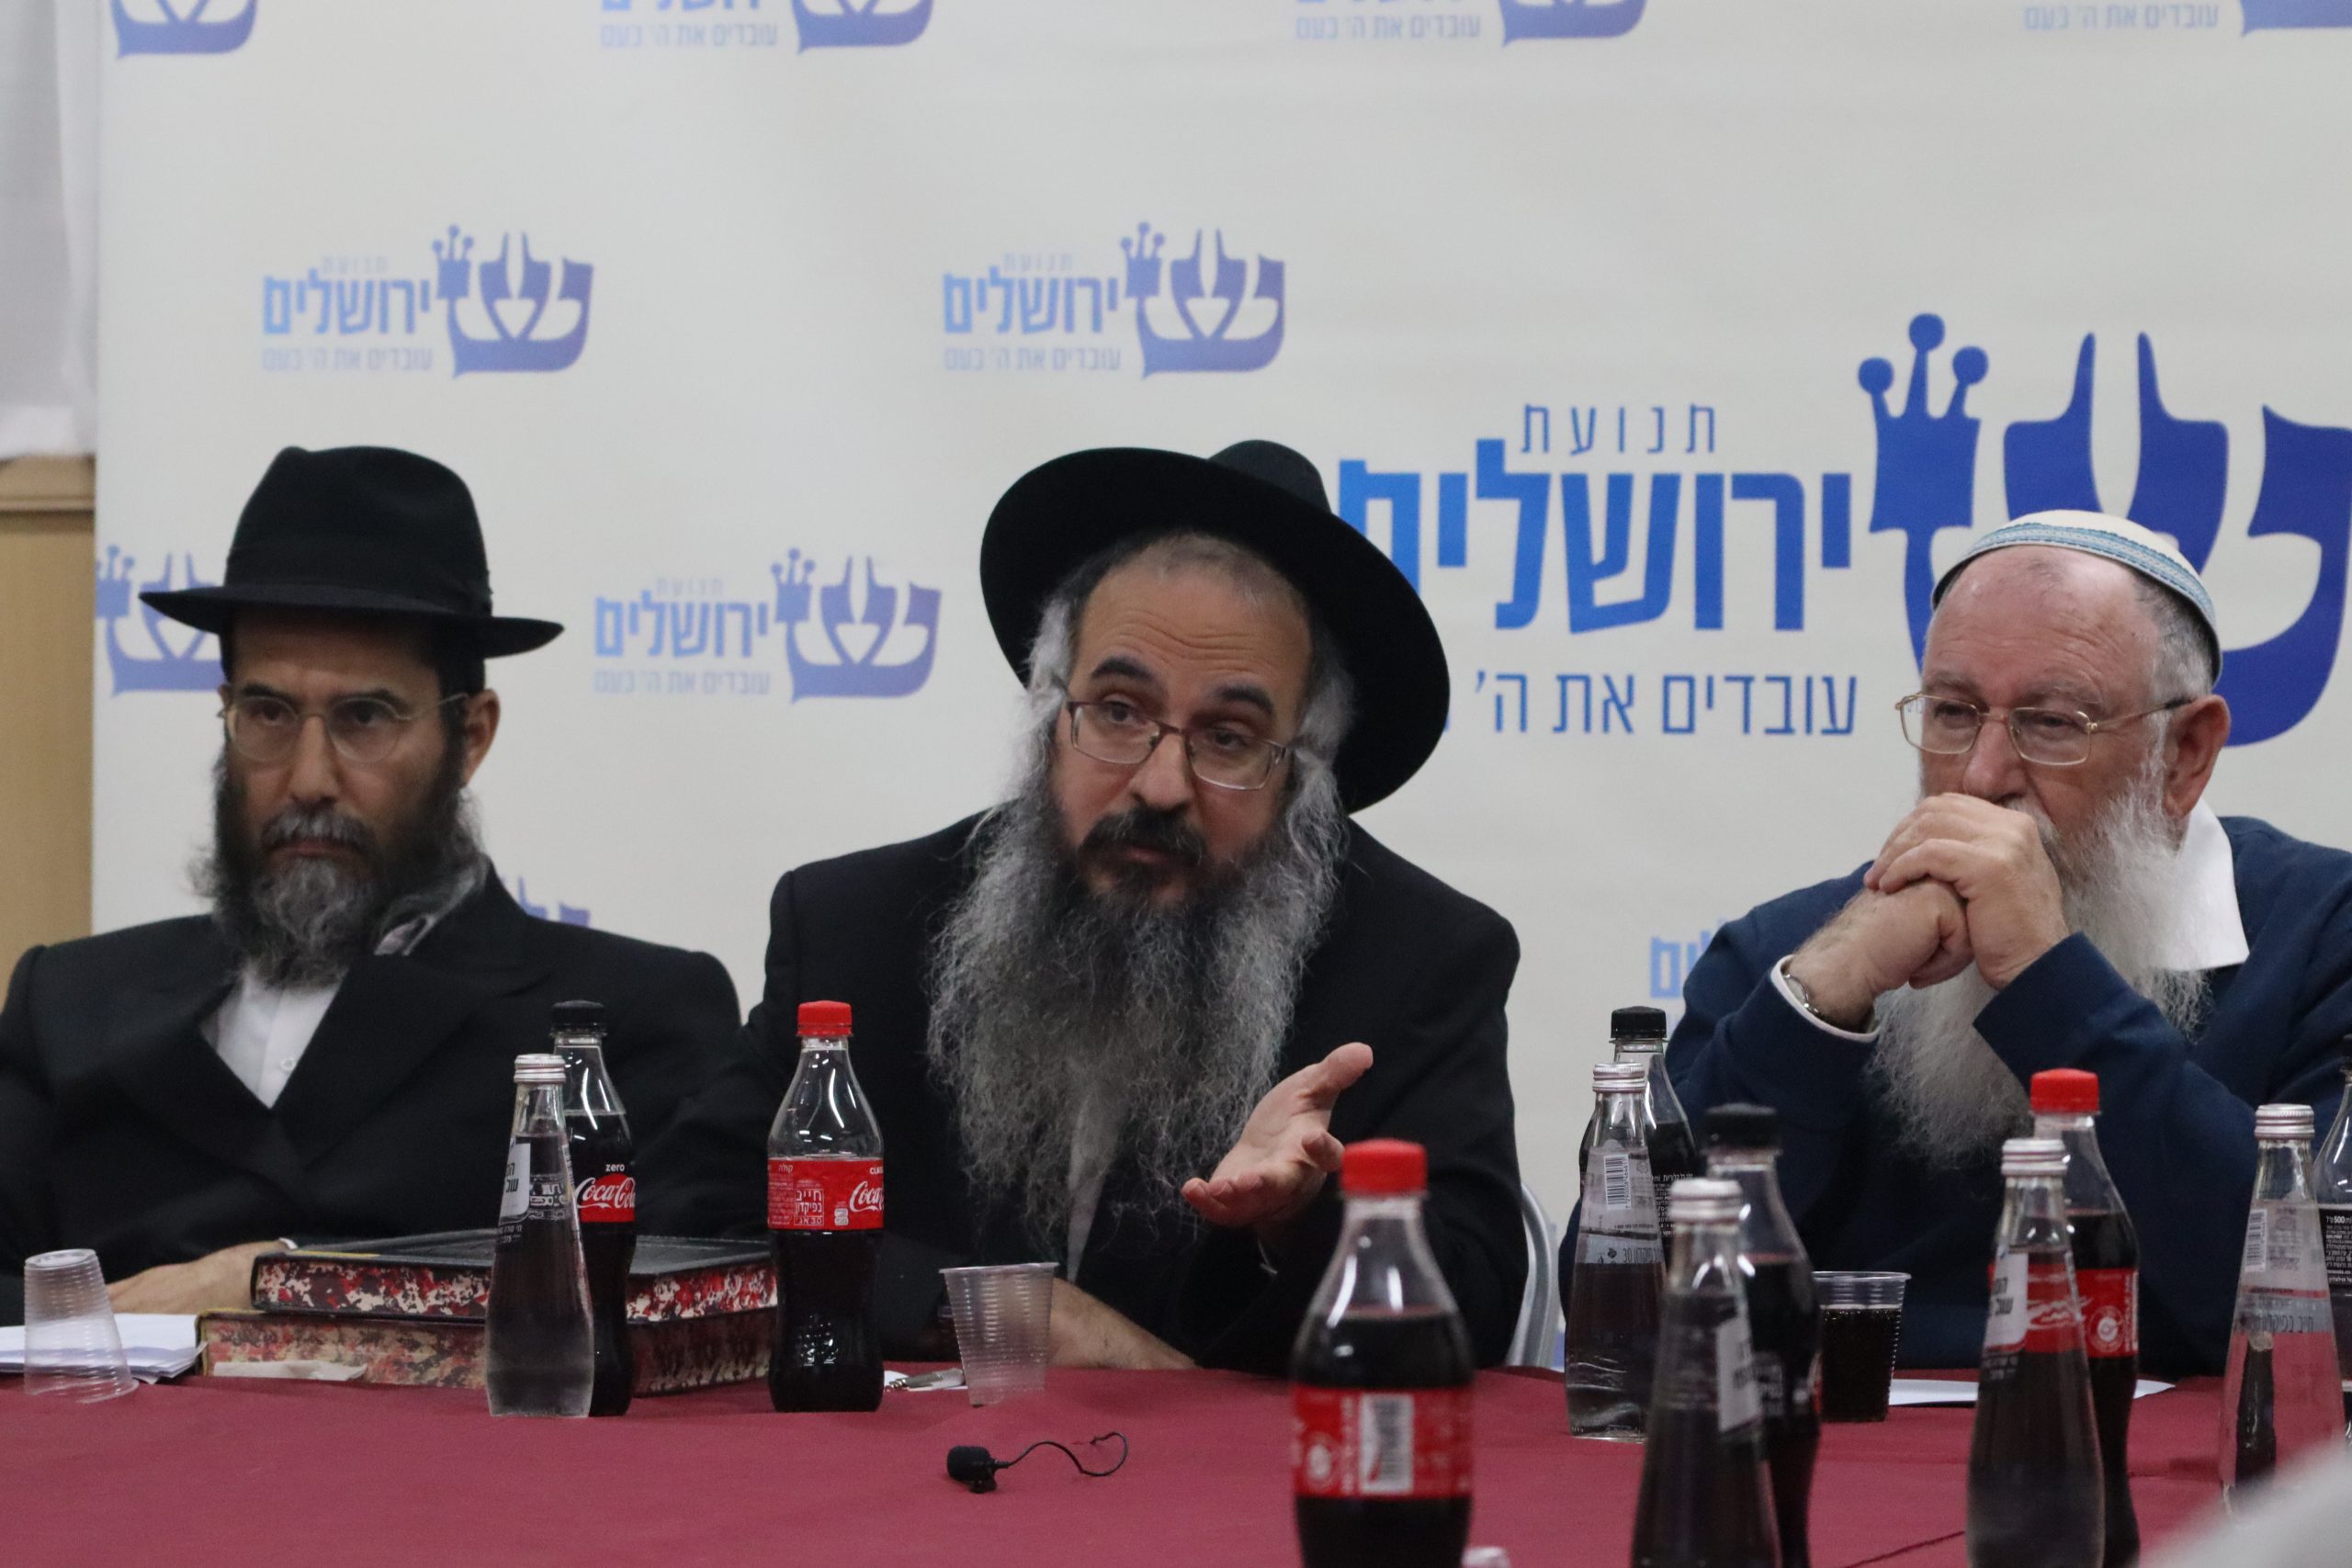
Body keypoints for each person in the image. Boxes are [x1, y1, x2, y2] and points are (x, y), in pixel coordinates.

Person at [645, 440, 1525, 1373]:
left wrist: (1306, 1218)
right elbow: (690, 1227)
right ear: (1050, 713)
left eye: (1228, 737)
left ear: (1304, 770)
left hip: (1236, 1470)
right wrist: (1003, 1311)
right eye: (1117, 710)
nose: (1160, 784)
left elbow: (1471, 1305)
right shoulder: (855, 925)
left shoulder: (1421, 956)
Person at [0, 446, 740, 1324]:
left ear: (470, 737)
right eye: (268, 713)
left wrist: (289, 1278)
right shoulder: (68, 1002)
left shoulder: (619, 1019)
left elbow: (662, 1287)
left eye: (364, 718)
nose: (309, 777)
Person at [1669, 511, 2352, 1373]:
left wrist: (2050, 979)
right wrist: (1820, 1002)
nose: (1982, 775)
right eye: (1954, 712)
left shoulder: (2323, 934)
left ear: (2184, 753)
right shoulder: (1790, 950)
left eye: (2053, 722)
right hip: (1847, 1447)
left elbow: (2322, 1315)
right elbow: (1630, 1300)